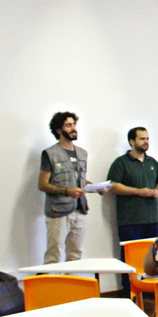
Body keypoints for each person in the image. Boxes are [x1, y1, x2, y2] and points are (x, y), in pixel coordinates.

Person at [38, 111, 108, 264]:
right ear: (58, 130)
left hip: (80, 210)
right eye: (68, 125)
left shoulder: (82, 153)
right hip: (58, 211)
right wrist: (66, 191)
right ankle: (52, 287)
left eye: (74, 125)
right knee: (54, 253)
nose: (73, 128)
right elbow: (42, 184)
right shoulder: (50, 154)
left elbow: (79, 180)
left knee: (76, 255)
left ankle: (72, 287)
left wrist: (96, 188)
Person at [107, 127, 158, 296]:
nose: (146, 142)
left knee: (153, 255)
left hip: (152, 218)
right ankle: (129, 292)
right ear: (132, 142)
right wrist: (138, 191)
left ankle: (150, 291)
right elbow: (113, 185)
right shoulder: (121, 163)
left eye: (147, 138)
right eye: (142, 139)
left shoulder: (152, 162)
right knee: (130, 258)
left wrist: (157, 190)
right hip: (130, 219)